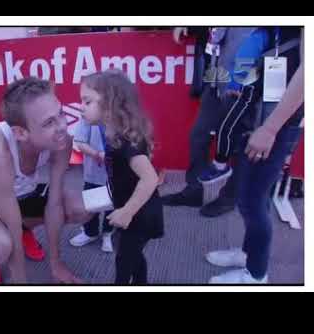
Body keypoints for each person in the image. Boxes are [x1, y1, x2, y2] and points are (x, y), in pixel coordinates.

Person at [0, 77, 92, 284]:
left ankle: (24, 229)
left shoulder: (62, 141)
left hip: (20, 192)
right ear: (20, 133)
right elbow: (11, 224)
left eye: (60, 114)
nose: (62, 126)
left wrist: (56, 265)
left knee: (81, 207)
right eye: (49, 122)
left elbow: (54, 203)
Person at [207, 27, 303, 284]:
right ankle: (248, 254)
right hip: (261, 114)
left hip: (277, 122)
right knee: (249, 194)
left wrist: (271, 127)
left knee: (253, 199)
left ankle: (256, 274)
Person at [163, 27, 267, 217]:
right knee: (198, 135)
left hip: (243, 88)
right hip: (215, 80)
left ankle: (229, 197)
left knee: (239, 143)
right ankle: (193, 191)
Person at [80, 70, 164, 284]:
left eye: (87, 101)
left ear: (109, 105)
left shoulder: (125, 143)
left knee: (124, 260)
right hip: (131, 209)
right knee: (134, 256)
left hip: (139, 214)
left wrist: (127, 211)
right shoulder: (112, 135)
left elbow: (150, 179)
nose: (81, 107)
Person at [69, 118, 114, 253]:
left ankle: (108, 232)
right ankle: (90, 232)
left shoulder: (119, 112)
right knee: (92, 201)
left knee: (113, 202)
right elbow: (80, 142)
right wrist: (97, 154)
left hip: (117, 171)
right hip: (94, 169)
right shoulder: (87, 116)